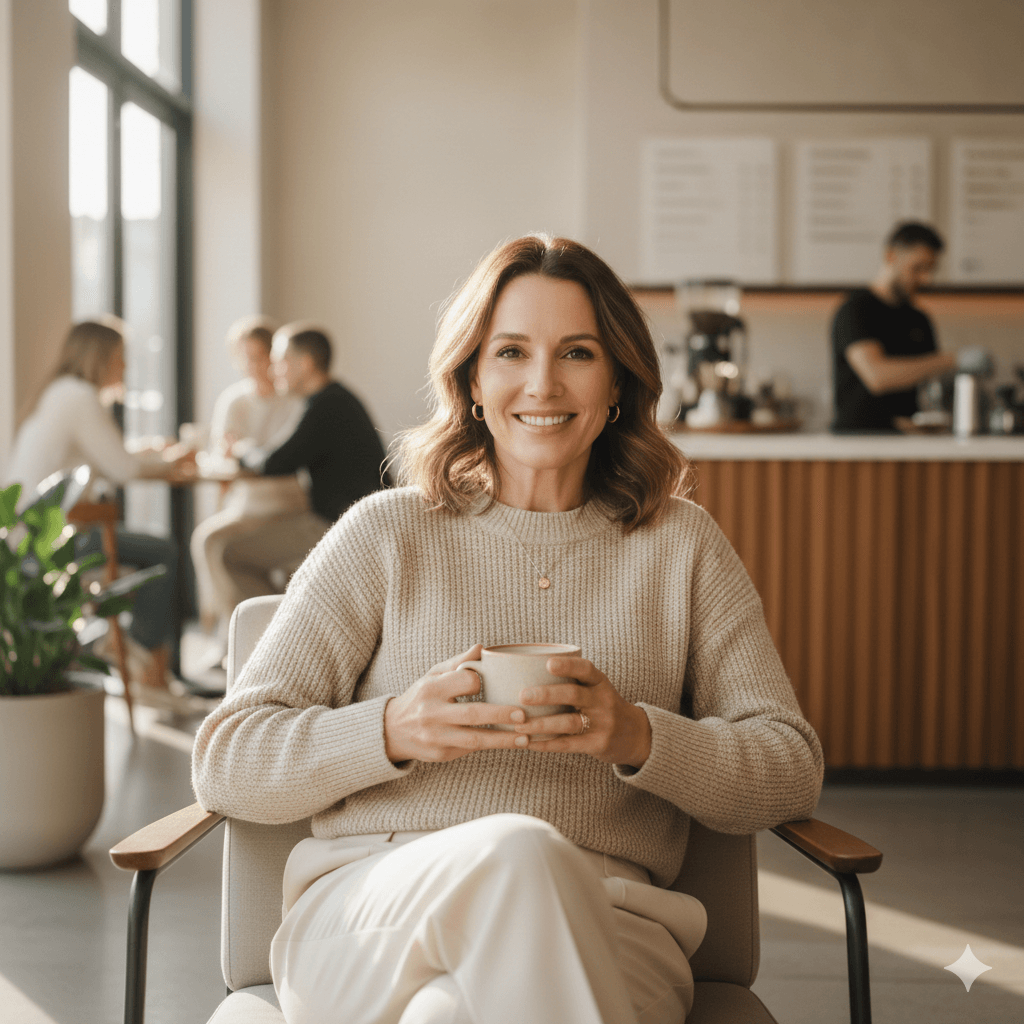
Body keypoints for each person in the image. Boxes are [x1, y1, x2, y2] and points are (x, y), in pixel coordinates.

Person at [192, 237, 823, 1024]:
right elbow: (227, 758)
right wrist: (392, 729)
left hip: (610, 923)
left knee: (447, 1016)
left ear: (619, 381)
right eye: (512, 352)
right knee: (518, 850)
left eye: (578, 353)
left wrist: (636, 737)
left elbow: (790, 765)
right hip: (373, 912)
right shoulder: (386, 534)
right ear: (473, 381)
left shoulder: (682, 546)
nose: (543, 384)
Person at [5, 317, 195, 694]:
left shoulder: (58, 393)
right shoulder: (80, 397)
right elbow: (122, 468)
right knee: (163, 553)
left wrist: (153, 456)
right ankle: (145, 666)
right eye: (120, 358)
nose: (125, 367)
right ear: (101, 358)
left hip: (24, 541)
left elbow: (107, 459)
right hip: (51, 545)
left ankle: (135, 657)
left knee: (147, 552)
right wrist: (172, 462)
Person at [216, 322, 390, 604]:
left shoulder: (326, 406)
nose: (274, 371)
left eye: (280, 362)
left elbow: (276, 462)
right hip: (351, 520)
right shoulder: (335, 399)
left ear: (306, 364)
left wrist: (240, 449)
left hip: (338, 525)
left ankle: (276, 632)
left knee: (231, 555)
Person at [190, 316, 306, 664]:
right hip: (246, 509)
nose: (254, 366)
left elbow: (282, 461)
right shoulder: (234, 401)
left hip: (290, 509)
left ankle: (273, 634)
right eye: (246, 358)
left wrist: (246, 453)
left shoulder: (296, 401)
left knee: (225, 549)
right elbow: (221, 458)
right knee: (208, 540)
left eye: (261, 356)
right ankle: (238, 634)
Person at [831, 221, 957, 432]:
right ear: (891, 256)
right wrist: (951, 360)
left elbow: (928, 383)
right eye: (917, 268)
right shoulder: (856, 309)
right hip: (859, 441)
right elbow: (877, 376)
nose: (926, 279)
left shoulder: (919, 319)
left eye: (931, 269)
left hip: (907, 440)